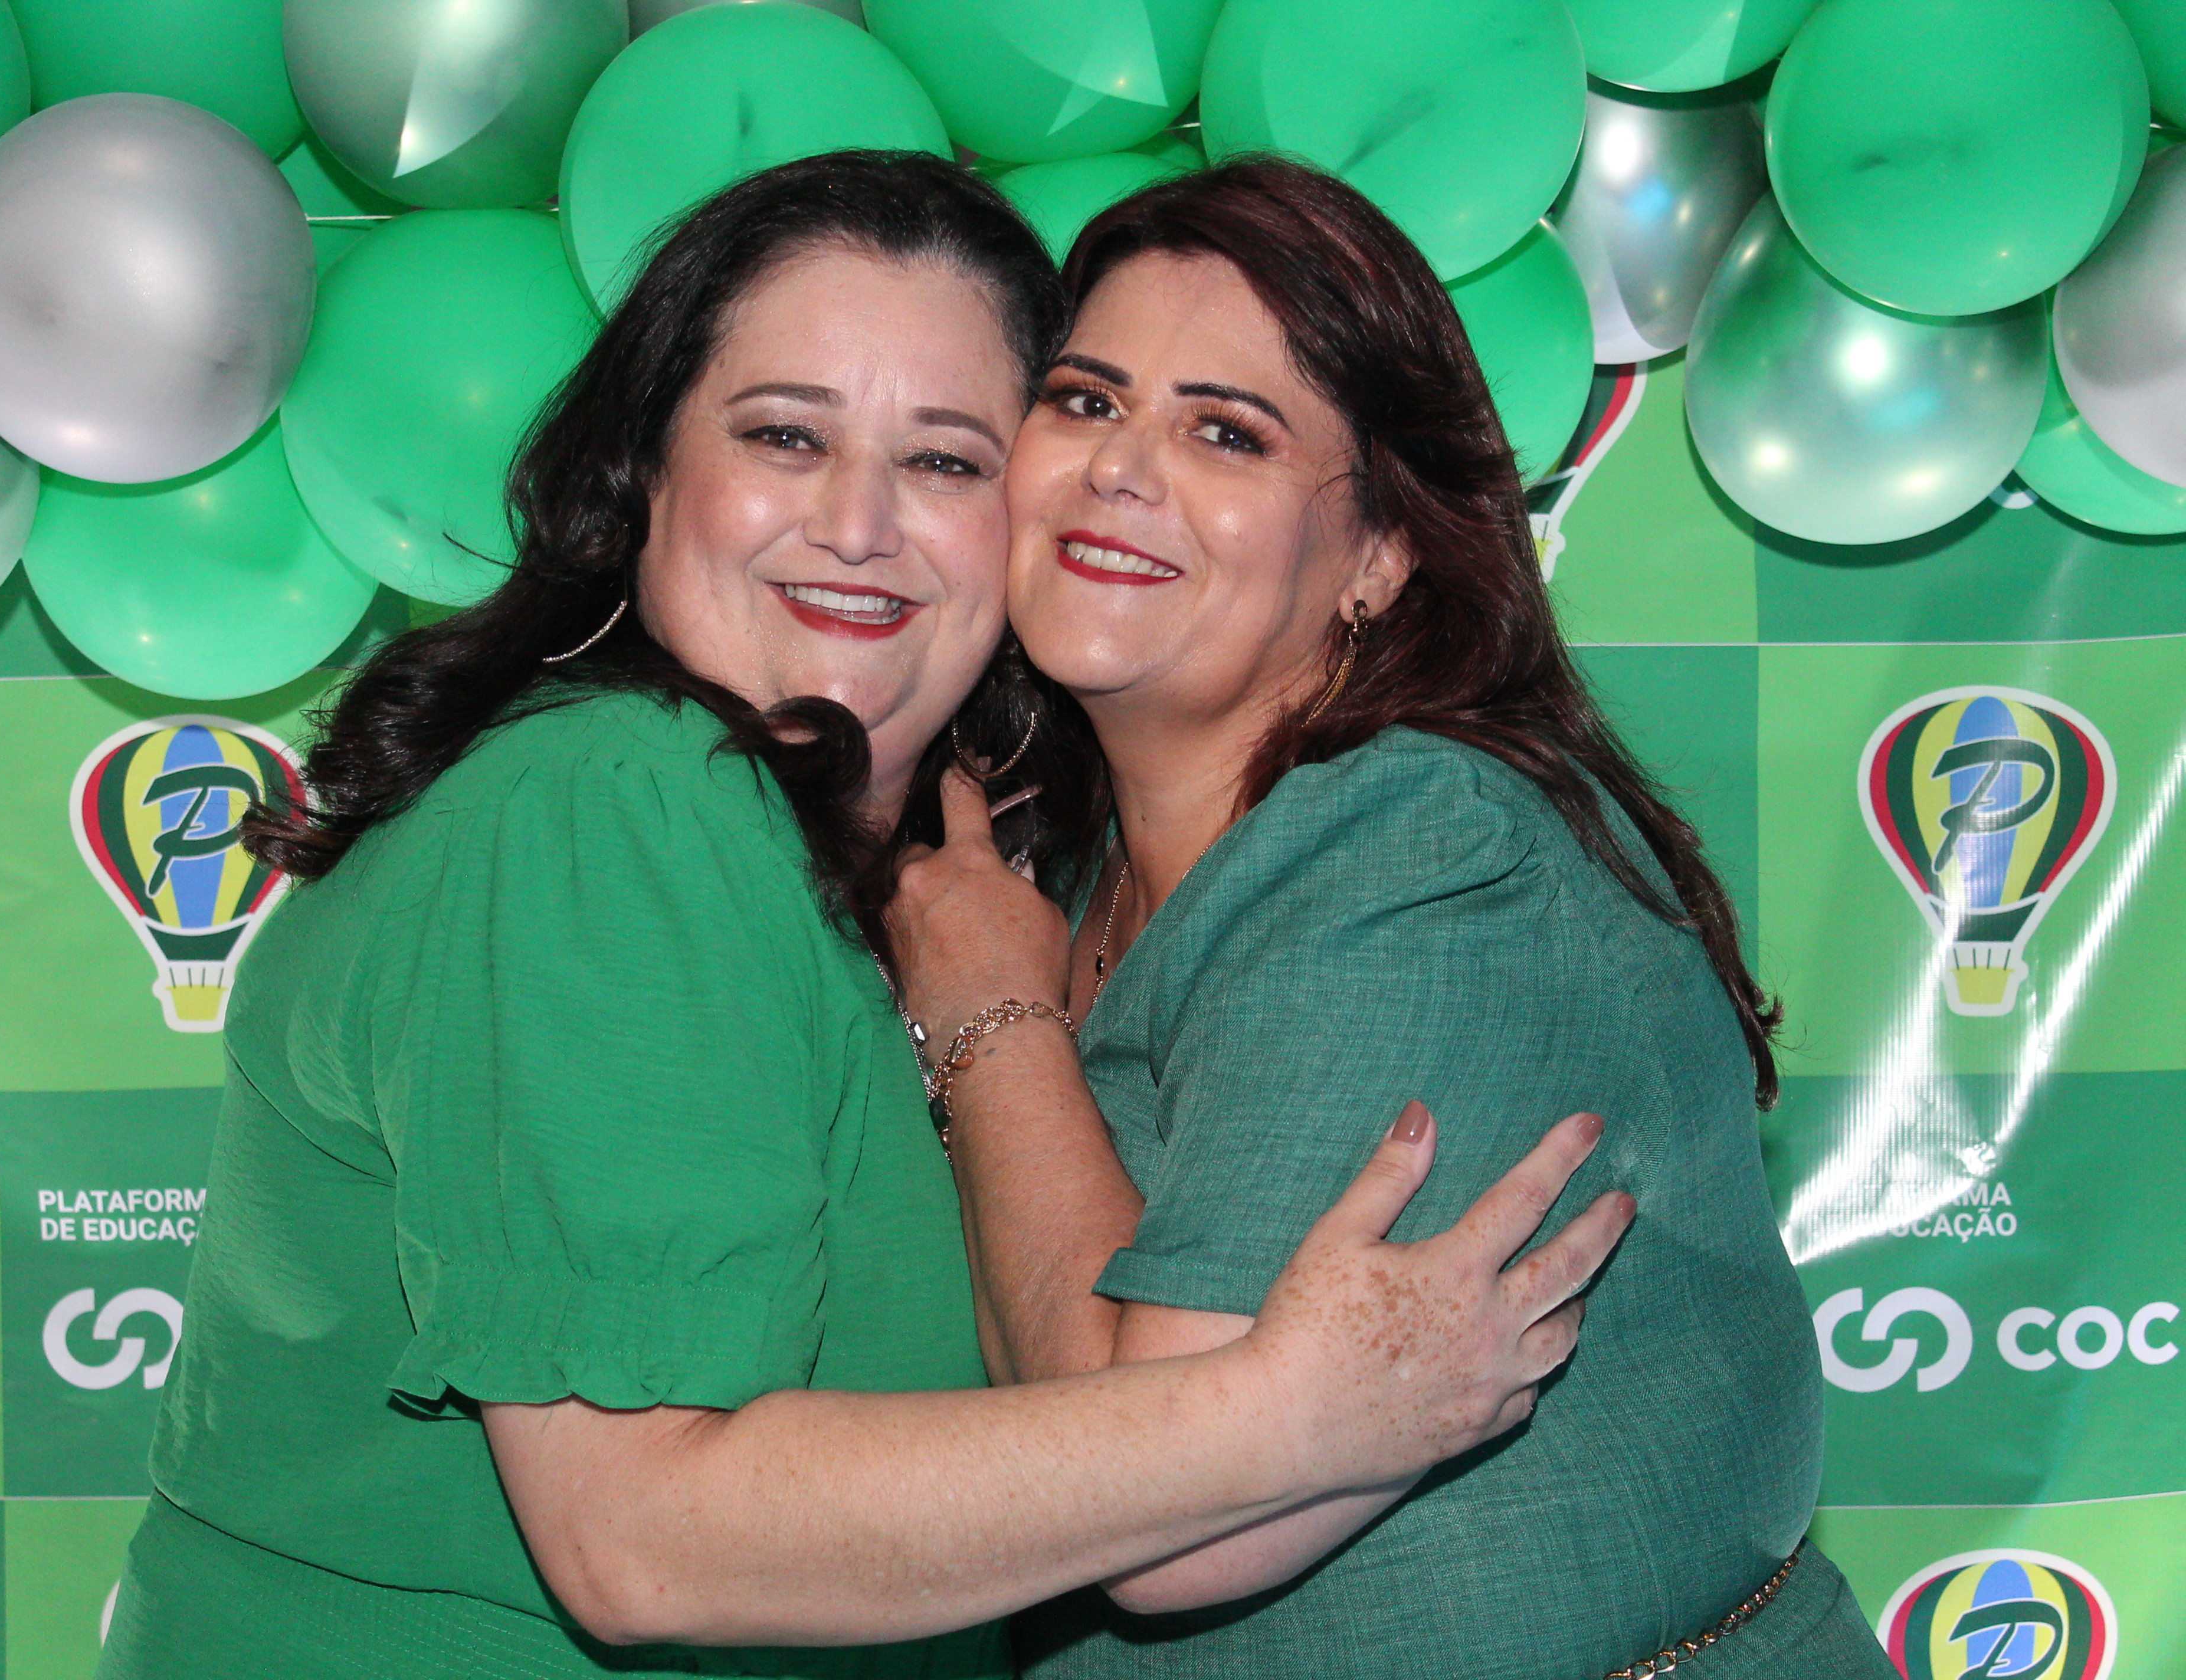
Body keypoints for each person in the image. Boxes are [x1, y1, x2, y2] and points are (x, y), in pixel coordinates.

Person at [94, 152, 1634, 1680]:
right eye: (784, 436)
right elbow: (640, 1537)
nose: (858, 523)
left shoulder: (862, 876)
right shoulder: (614, 800)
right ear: (643, 478)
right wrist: (1297, 1417)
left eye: (949, 461)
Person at [887, 158, 1894, 1678]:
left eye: (1226, 431)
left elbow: (1172, 1513)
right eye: (1087, 401)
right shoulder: (1078, 870)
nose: (1119, 467)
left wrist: (987, 1015)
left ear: (1380, 554)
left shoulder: (1419, 843)